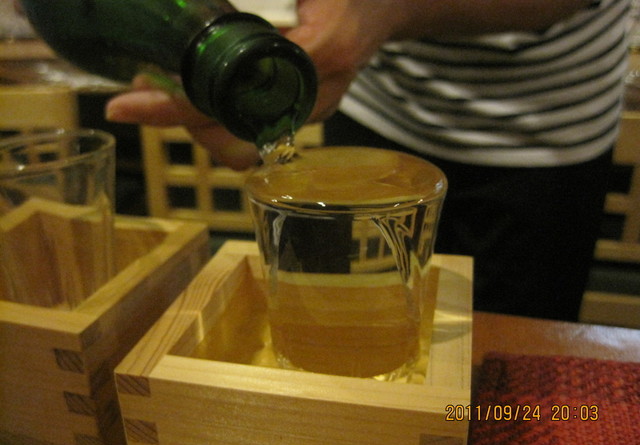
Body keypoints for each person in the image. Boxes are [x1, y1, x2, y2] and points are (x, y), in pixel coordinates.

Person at [105, 0, 631, 321]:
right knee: (337, 317)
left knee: (507, 393)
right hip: (369, 102)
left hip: (546, 130)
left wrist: (389, 9)